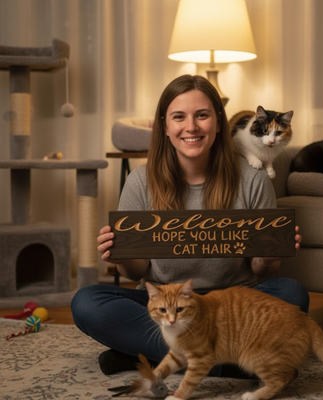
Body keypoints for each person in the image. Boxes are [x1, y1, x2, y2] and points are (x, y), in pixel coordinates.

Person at [71, 74, 309, 377]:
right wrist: (119, 255)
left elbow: (264, 272)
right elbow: (134, 273)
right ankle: (230, 364)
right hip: (167, 309)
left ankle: (145, 355)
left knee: (293, 293)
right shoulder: (140, 181)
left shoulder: (253, 178)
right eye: (179, 117)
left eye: (202, 115)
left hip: (233, 310)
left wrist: (269, 257)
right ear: (165, 126)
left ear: (219, 123)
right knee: (87, 303)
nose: (191, 127)